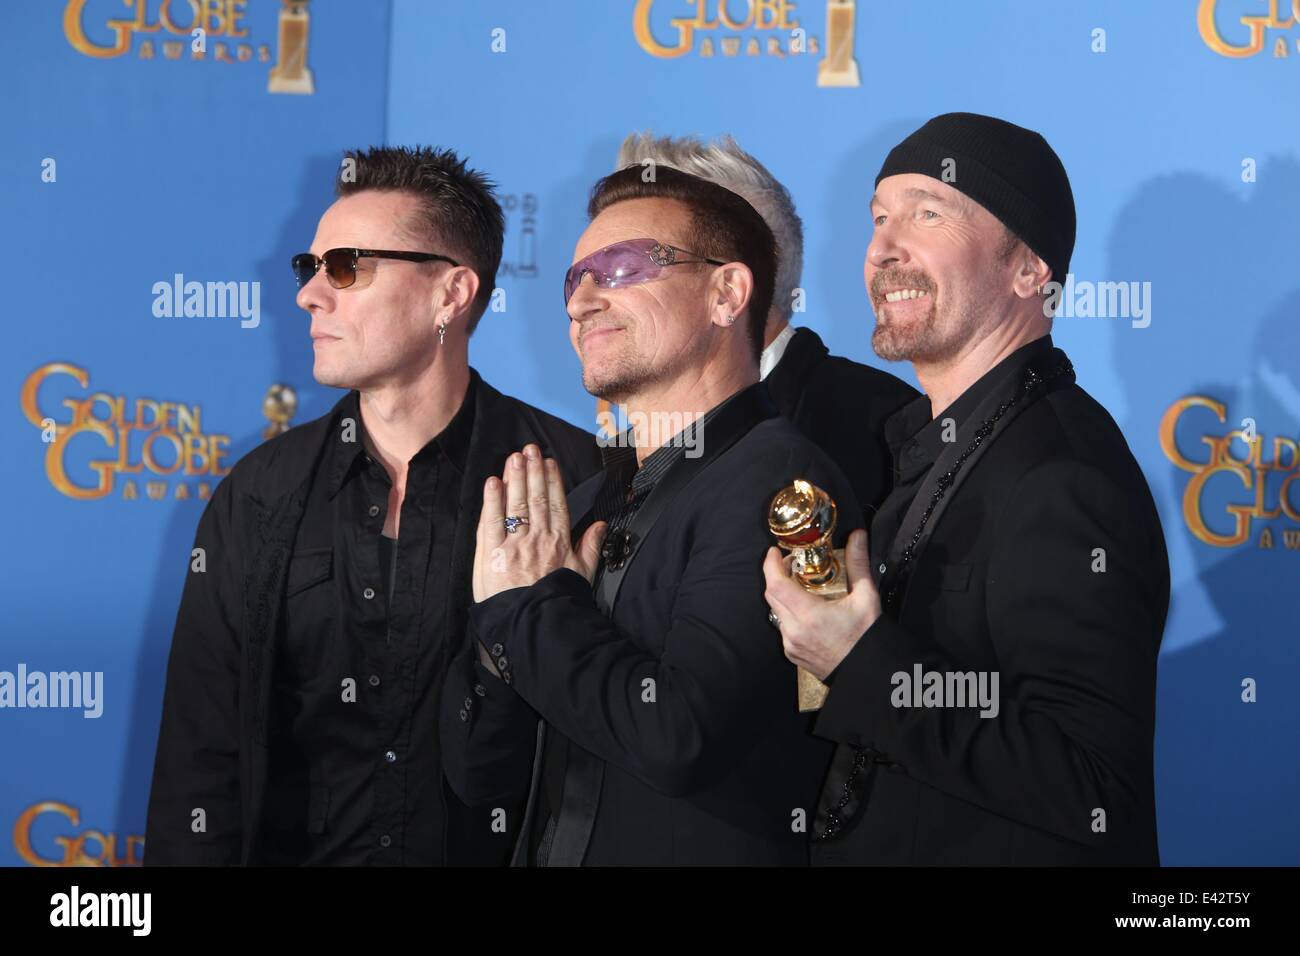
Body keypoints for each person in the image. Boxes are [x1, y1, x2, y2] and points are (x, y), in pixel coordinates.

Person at [144, 145, 600, 866]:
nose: (309, 295)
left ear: (451, 293)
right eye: (309, 267)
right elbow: (201, 758)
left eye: (347, 267)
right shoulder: (259, 493)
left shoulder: (573, 476)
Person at [763, 113, 1169, 865]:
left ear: (1028, 270)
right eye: (879, 219)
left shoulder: (1060, 475)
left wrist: (861, 663)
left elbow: (1091, 783)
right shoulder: (938, 447)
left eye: (927, 212)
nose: (883, 250)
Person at [440, 164, 861, 865]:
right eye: (574, 280)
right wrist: (498, 629)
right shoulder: (577, 506)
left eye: (623, 267)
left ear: (727, 292)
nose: (582, 302)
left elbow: (680, 739)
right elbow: (481, 774)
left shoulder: (789, 487)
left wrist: (530, 608)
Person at [616, 132, 918, 516]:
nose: (594, 297)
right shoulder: (616, 465)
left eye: (634, 265)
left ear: (732, 285)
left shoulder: (881, 427)